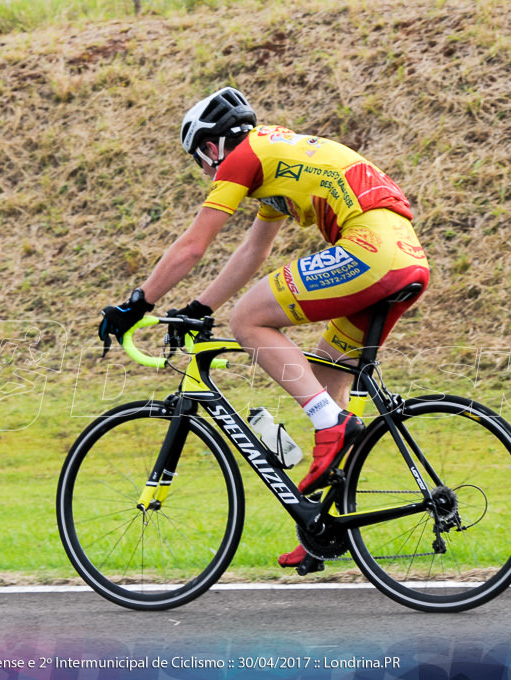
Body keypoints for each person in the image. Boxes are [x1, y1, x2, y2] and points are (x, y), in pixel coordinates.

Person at [97, 87, 430, 568]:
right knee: (328, 383)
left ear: (213, 146)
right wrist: (197, 306)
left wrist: (138, 302)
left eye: (201, 161)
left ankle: (331, 424)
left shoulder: (244, 157)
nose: (207, 173)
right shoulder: (277, 160)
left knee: (248, 320)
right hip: (405, 256)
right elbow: (252, 252)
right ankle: (323, 527)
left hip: (371, 251)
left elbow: (193, 245)